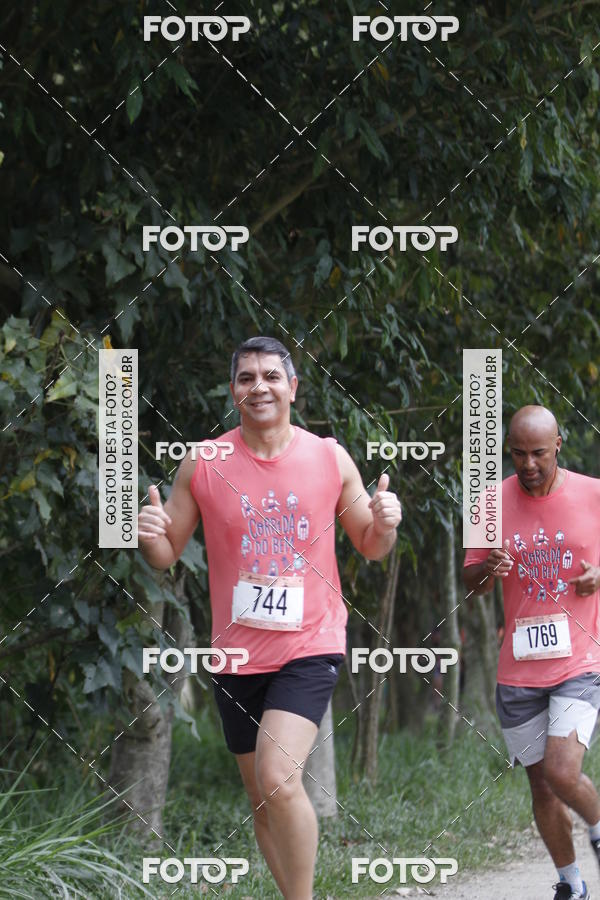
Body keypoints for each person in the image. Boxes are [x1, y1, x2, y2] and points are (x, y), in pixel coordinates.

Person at [137, 335, 402, 900]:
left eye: (271, 376)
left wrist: (385, 520)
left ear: (293, 389)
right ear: (233, 391)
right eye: (247, 377)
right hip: (234, 653)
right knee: (260, 794)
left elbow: (371, 545)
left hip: (311, 642)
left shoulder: (328, 456)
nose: (259, 386)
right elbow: (165, 555)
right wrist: (152, 537)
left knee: (279, 779)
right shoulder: (204, 463)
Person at [463, 405, 600, 900]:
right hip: (518, 670)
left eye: (539, 453)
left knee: (564, 773)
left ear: (558, 445)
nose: (528, 464)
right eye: (517, 454)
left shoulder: (593, 493)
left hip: (579, 661)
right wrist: (487, 570)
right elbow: (470, 581)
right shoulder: (488, 503)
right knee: (542, 786)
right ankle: (572, 885)